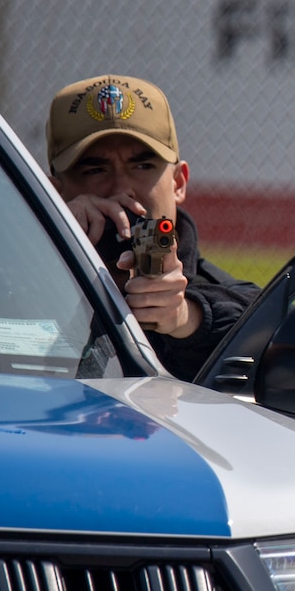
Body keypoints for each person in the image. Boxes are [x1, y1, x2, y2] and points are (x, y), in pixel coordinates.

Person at [46, 74, 260, 381]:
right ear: (55, 192)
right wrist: (50, 243)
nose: (123, 189)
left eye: (142, 166)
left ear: (178, 183)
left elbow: (259, 326)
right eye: (96, 169)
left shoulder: (226, 296)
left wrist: (183, 317)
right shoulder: (24, 280)